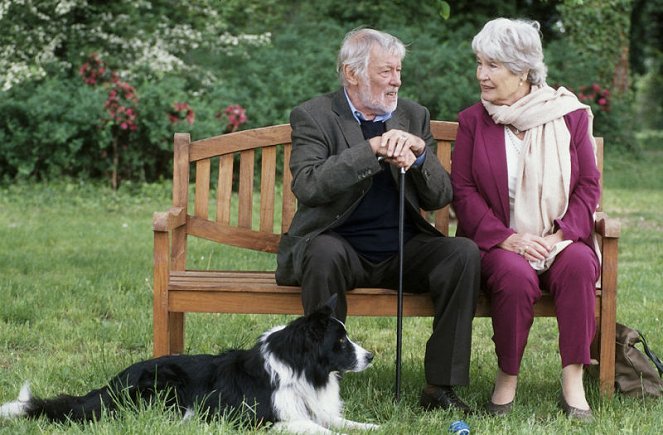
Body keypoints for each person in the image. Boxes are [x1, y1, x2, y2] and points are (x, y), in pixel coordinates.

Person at [275, 28, 480, 413]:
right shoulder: (315, 115)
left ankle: (441, 388)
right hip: (339, 246)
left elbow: (439, 196)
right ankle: (321, 384)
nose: (396, 81)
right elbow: (309, 185)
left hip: (402, 248)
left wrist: (419, 158)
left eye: (399, 71)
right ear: (352, 74)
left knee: (462, 254)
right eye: (386, 71)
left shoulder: (413, 115)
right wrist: (370, 151)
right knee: (321, 253)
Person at [451, 18, 601, 422]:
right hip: (501, 243)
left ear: (522, 70)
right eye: (479, 63)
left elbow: (588, 185)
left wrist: (561, 236)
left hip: (559, 239)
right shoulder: (473, 121)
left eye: (492, 65)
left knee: (580, 264)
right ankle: (507, 376)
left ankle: (573, 381)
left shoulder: (569, 115)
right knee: (514, 275)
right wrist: (506, 238)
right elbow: (462, 191)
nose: (481, 74)